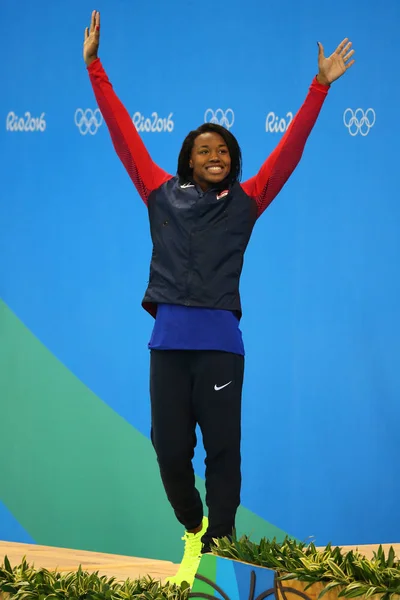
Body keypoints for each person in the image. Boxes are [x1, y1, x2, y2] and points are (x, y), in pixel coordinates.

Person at [83, 10, 355, 588]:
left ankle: (222, 549)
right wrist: (94, 68)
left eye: (224, 150)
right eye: (205, 149)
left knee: (223, 454)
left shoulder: (248, 200)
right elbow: (123, 133)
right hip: (168, 344)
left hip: (220, 346)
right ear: (188, 158)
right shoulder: (159, 193)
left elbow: (289, 151)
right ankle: (192, 526)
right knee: (169, 451)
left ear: (232, 161)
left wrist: (320, 86)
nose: (215, 155)